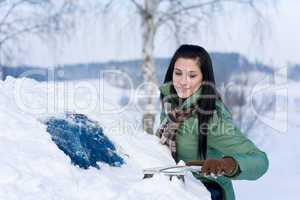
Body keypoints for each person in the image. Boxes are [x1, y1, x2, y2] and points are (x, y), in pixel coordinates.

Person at [156, 44, 269, 200]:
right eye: (178, 73)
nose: (183, 81)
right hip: (175, 188)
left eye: (192, 75)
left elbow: (260, 160)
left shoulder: (211, 117)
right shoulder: (172, 107)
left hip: (207, 192)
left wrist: (227, 165)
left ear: (204, 78)